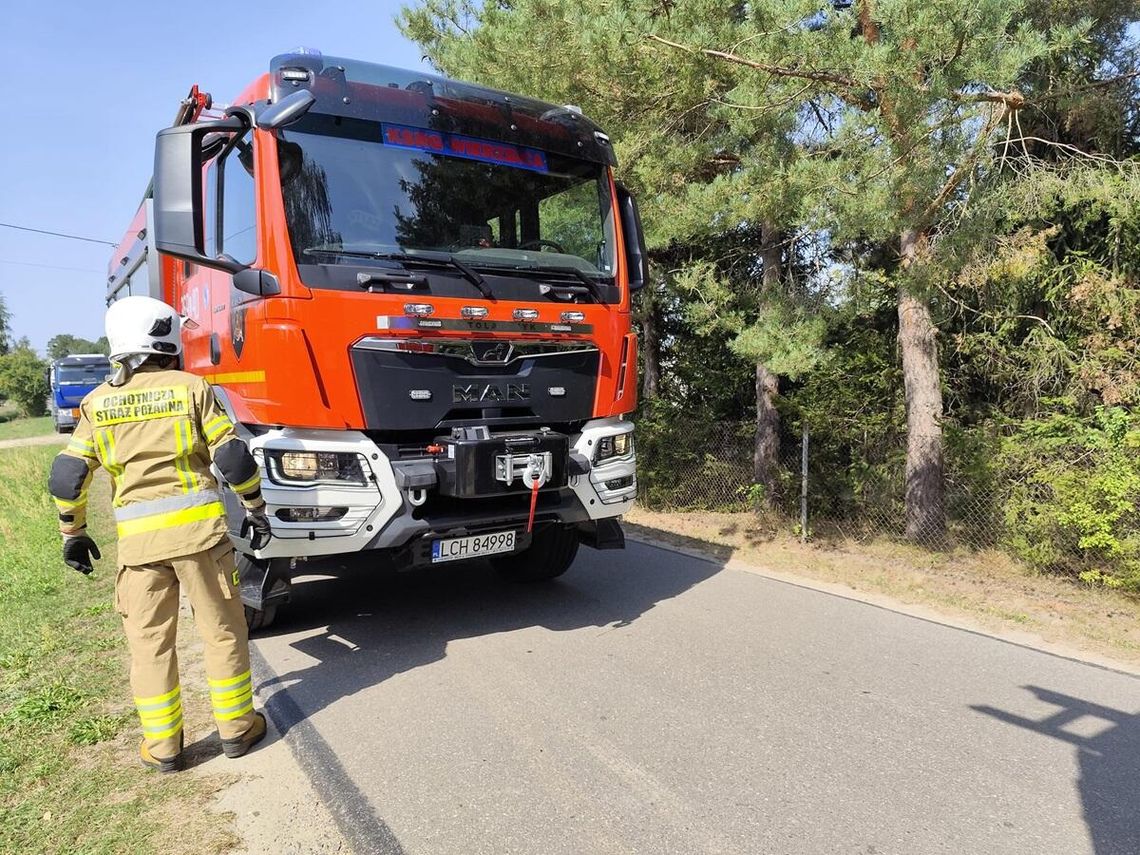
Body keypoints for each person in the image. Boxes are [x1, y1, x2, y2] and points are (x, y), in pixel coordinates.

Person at [49, 295, 273, 772]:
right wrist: (254, 507)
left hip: (139, 549)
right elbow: (232, 459)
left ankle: (164, 747)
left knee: (149, 644)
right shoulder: (192, 389)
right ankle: (237, 729)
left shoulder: (97, 402)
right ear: (167, 339)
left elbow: (67, 475)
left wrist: (73, 531)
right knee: (222, 633)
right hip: (201, 543)